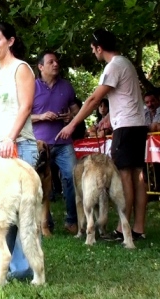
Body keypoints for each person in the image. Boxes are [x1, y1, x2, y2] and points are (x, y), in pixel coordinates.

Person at [57, 28, 148, 240]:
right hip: (137, 125)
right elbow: (127, 98)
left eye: (92, 49)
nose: (92, 53)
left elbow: (93, 100)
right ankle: (139, 228)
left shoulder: (113, 66)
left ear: (99, 47)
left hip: (126, 129)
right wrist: (109, 118)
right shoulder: (126, 63)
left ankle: (122, 230)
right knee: (138, 176)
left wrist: (72, 124)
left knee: (125, 176)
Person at [0, 21, 38, 281]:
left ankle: (22, 267)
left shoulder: (22, 68)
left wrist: (10, 138)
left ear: (10, 41)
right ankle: (5, 263)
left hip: (19, 146)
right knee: (1, 211)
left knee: (20, 212)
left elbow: (25, 107)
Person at [31, 50, 79, 234]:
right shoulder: (32, 87)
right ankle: (45, 224)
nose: (56, 64)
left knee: (72, 177)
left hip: (63, 142)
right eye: (51, 62)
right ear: (41, 67)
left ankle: (71, 221)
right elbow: (23, 115)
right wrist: (41, 116)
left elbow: (76, 109)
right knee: (39, 186)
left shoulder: (66, 86)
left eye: (57, 61)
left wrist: (71, 116)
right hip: (39, 145)